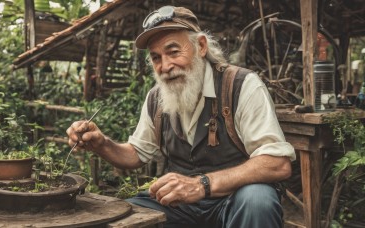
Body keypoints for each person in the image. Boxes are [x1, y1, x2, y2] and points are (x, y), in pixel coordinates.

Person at [67, 5, 296, 228]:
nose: (165, 66)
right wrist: (102, 144)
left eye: (174, 52)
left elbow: (277, 163)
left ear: (201, 47)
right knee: (125, 215)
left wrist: (202, 184)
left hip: (234, 198)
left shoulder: (241, 85)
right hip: (181, 204)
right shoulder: (157, 98)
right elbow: (136, 154)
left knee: (257, 201)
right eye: (156, 58)